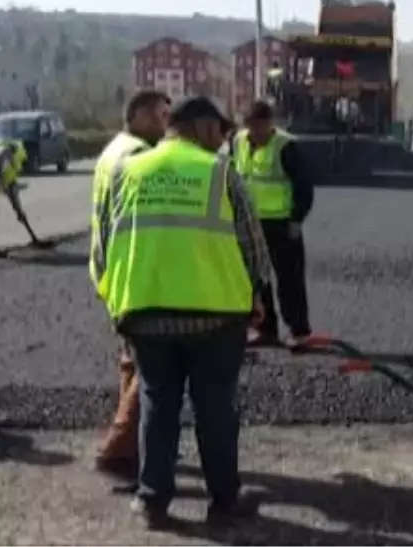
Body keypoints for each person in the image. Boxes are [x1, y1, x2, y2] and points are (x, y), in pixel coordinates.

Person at [91, 96, 270, 529]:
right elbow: (252, 244)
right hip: (215, 316)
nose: (224, 139)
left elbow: (104, 244)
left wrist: (118, 303)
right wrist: (257, 296)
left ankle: (153, 501)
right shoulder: (220, 172)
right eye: (222, 132)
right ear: (203, 127)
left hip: (147, 314)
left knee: (157, 403)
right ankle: (224, 499)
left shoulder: (127, 171)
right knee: (215, 409)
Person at [87, 89, 172, 487]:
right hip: (133, 273)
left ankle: (131, 445)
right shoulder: (137, 156)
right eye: (160, 115)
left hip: (109, 269)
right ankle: (118, 447)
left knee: (132, 356)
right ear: (137, 114)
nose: (166, 124)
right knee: (154, 361)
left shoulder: (112, 150)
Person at [231, 100, 315, 349]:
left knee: (289, 279)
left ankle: (299, 331)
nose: (258, 132)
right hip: (251, 224)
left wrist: (297, 218)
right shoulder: (237, 143)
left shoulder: (286, 147)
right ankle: (264, 328)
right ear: (246, 125)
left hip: (282, 224)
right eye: (253, 127)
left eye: (263, 126)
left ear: (271, 123)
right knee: (257, 279)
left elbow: (304, 186)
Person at [0, 137, 29, 229]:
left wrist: (18, 209)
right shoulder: (7, 151)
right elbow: (3, 155)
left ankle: (21, 215)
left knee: (17, 205)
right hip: (2, 180)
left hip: (6, 182)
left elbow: (12, 181)